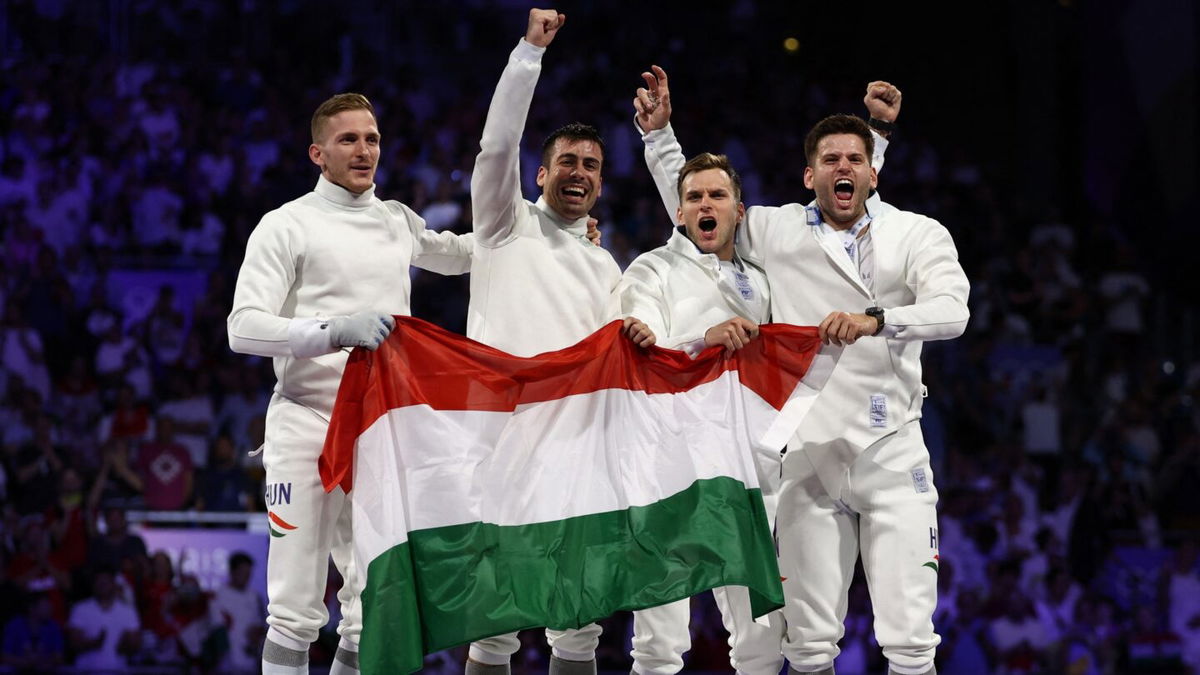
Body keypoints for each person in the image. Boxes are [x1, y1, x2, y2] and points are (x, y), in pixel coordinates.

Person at [636, 67, 968, 675]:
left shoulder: (919, 234)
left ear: (874, 170)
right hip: (808, 456)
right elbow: (702, 208)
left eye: (856, 158)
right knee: (810, 645)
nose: (844, 168)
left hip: (892, 452)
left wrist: (877, 319)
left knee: (912, 642)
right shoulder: (774, 228)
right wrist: (661, 140)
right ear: (807, 175)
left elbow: (953, 313)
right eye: (829, 160)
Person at [226, 92, 474, 675]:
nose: (365, 151)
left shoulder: (395, 220)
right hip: (306, 423)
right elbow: (243, 328)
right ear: (318, 152)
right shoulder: (285, 225)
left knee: (371, 605)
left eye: (372, 139)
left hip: (376, 428)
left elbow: (465, 254)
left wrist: (550, 228)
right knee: (293, 608)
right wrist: (335, 330)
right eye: (348, 140)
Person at [463, 9, 653, 675]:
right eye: (566, 162)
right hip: (501, 448)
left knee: (578, 628)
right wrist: (528, 55)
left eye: (591, 164)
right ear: (539, 176)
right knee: (494, 624)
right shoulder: (502, 225)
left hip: (581, 456)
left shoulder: (607, 264)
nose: (579, 172)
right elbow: (495, 147)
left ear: (602, 180)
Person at [617, 152, 778, 674]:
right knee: (660, 644)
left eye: (717, 195)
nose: (705, 204)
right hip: (669, 470)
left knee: (762, 640)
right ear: (679, 213)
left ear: (739, 211)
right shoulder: (651, 269)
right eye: (693, 197)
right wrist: (700, 341)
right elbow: (636, 348)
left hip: (745, 470)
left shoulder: (762, 280)